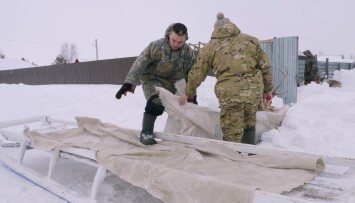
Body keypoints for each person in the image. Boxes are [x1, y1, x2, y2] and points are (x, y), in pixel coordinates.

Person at [179, 13, 273, 145]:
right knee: (249, 123)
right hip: (253, 92)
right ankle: (250, 157)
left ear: (215, 29)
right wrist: (268, 90)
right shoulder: (251, 41)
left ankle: (232, 160)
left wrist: (187, 92)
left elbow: (197, 73)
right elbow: (265, 67)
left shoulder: (210, 47)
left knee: (231, 131)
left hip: (230, 94)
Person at [115, 23, 196, 145]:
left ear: (185, 39)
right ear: (169, 34)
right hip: (153, 78)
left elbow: (192, 75)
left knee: (188, 105)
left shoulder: (188, 52)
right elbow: (140, 63)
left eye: (180, 42)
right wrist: (128, 83)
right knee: (156, 101)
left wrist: (191, 94)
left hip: (175, 81)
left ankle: (186, 134)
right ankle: (146, 133)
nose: (176, 44)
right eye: (173, 40)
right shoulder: (156, 46)